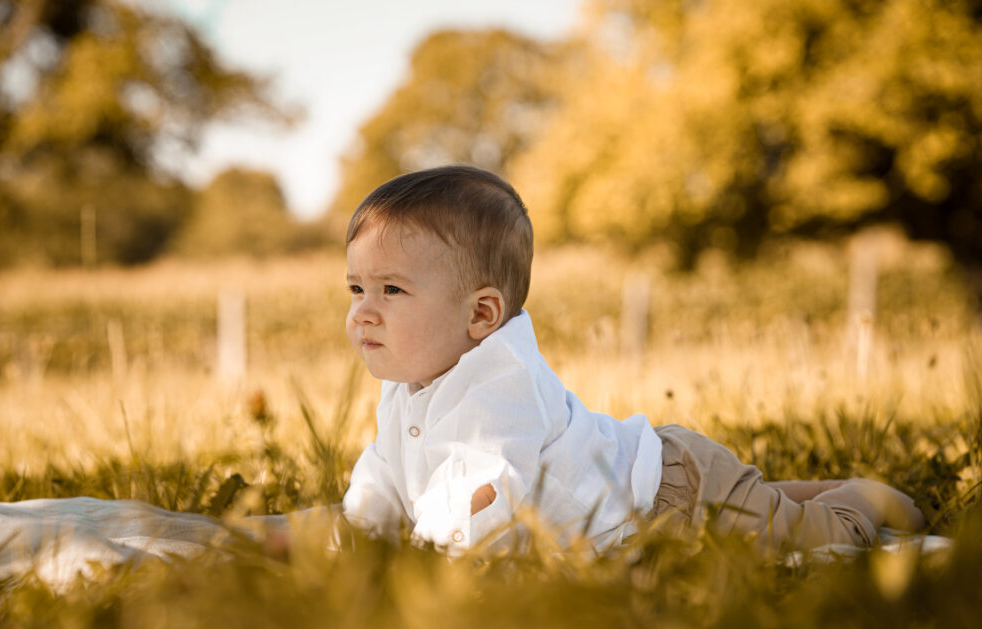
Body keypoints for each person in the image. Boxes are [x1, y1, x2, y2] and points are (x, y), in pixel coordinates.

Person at [340, 165, 925, 554]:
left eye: (391, 291)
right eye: (356, 290)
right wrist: (359, 526)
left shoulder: (501, 386)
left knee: (813, 538)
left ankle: (865, 497)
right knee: (755, 503)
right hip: (663, 471)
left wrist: (416, 559)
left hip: (670, 496)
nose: (365, 311)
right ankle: (783, 490)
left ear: (482, 315)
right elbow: (385, 471)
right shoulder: (412, 379)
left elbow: (485, 502)